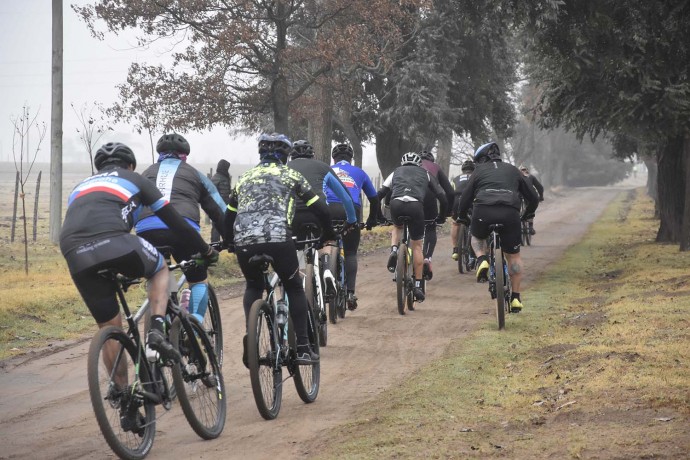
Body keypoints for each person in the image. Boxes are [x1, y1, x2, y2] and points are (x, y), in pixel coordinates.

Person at [59, 142, 217, 433]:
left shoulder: (81, 186)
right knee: (159, 271)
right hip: (114, 241)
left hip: (73, 250)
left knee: (110, 328)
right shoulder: (135, 179)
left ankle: (126, 403)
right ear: (129, 165)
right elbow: (177, 223)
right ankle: (156, 329)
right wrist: (205, 251)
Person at [224, 133, 336, 365]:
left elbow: (228, 216)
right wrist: (328, 234)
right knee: (294, 286)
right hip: (278, 238)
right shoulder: (291, 175)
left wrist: (229, 242)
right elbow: (322, 210)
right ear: (285, 155)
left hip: (244, 240)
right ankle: (304, 347)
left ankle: (252, 337)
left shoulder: (244, 178)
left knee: (253, 285)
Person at [135, 133, 227, 325]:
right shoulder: (195, 174)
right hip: (184, 230)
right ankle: (196, 328)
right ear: (184, 154)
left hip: (146, 229)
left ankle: (162, 326)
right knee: (198, 279)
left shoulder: (146, 174)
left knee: (159, 274)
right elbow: (218, 210)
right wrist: (230, 238)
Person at [456, 142, 539, 312]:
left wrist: (462, 216)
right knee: (514, 256)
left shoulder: (478, 171)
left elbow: (465, 198)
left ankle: (482, 259)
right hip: (510, 212)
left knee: (477, 237)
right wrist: (528, 213)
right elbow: (533, 196)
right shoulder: (513, 170)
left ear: (482, 159)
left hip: (483, 211)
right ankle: (515, 298)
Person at [377, 152, 448, 302]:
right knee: (417, 245)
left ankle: (394, 250)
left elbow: (380, 194)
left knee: (397, 227)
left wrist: (378, 215)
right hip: (416, 206)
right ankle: (417, 284)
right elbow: (442, 196)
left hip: (396, 204)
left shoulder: (396, 171)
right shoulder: (425, 173)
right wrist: (442, 216)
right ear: (418, 164)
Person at [326, 143, 381, 310]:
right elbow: (374, 199)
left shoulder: (326, 169)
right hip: (351, 210)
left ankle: (325, 278)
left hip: (329, 208)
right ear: (351, 159)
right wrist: (372, 220)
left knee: (325, 245)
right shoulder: (360, 172)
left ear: (333, 159)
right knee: (350, 253)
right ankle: (350, 292)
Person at [287, 139, 357, 244]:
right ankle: (326, 257)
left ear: (291, 156)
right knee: (327, 241)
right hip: (319, 211)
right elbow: (346, 197)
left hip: (293, 214)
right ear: (312, 155)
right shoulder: (323, 167)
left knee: (294, 246)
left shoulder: (284, 168)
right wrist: (351, 220)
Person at [419, 150, 454, 280]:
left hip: (410, 198)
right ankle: (427, 258)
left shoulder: (410, 166)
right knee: (430, 227)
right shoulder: (435, 167)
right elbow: (450, 192)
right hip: (429, 199)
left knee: (410, 225)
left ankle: (407, 252)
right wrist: (448, 212)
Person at [451, 159, 476, 261]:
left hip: (458, 202)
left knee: (455, 223)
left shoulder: (455, 179)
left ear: (462, 170)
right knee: (475, 224)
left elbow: (450, 193)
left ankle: (455, 250)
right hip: (472, 202)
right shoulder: (476, 177)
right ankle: (473, 251)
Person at [518, 165, 545, 235]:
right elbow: (540, 187)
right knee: (531, 210)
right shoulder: (531, 177)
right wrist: (541, 197)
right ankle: (530, 227)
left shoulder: (516, 177)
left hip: (518, 196)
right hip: (529, 196)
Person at [210, 158, 232, 241]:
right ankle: (227, 243)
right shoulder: (223, 179)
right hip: (222, 205)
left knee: (215, 226)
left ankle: (214, 243)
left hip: (213, 205)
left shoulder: (214, 177)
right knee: (224, 225)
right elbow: (225, 195)